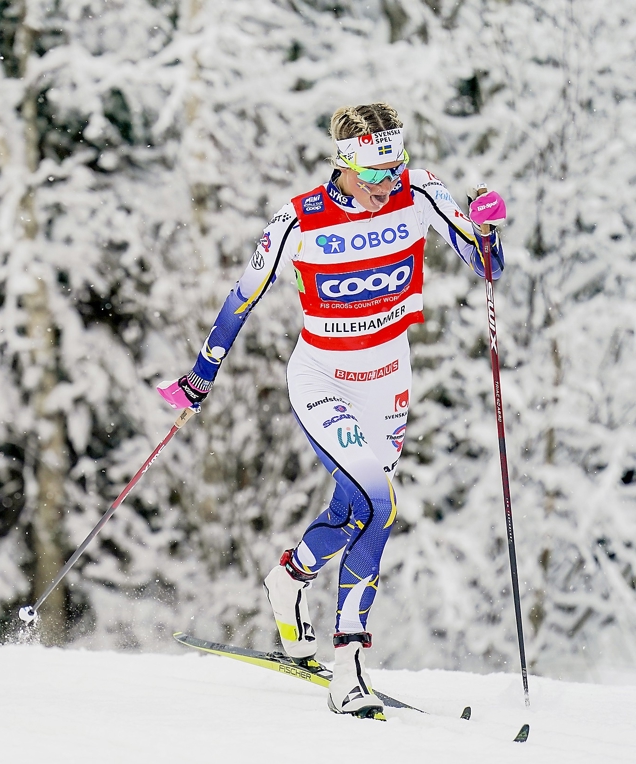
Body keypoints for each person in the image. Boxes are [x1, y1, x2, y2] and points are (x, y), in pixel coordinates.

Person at [158, 102, 508, 718]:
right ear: (341, 165)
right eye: (371, 175)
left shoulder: (420, 192)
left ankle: (289, 578)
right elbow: (243, 298)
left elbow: (488, 269)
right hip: (323, 380)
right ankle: (348, 668)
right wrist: (201, 378)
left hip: (388, 382)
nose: (384, 186)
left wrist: (488, 228)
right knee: (380, 502)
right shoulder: (298, 221)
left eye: (392, 170)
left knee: (356, 511)